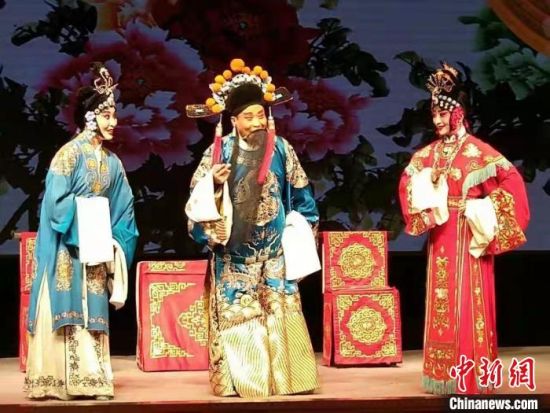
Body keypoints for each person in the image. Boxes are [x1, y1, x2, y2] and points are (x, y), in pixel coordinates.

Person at [185, 58, 319, 398]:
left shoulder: (281, 149)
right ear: (233, 121)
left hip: (275, 255)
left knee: (280, 314)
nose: (257, 121)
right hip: (235, 258)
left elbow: (302, 196)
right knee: (240, 318)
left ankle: (287, 381)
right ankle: (245, 383)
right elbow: (196, 202)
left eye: (261, 114)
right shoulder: (219, 152)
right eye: (249, 116)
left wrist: (302, 236)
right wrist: (215, 185)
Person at [398, 62, 530, 395]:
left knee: (469, 305)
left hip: (470, 238)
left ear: (458, 113)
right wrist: (427, 191)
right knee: (441, 304)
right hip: (441, 236)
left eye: (443, 114)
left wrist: (483, 209)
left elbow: (512, 182)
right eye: (434, 115)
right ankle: (442, 374)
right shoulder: (427, 155)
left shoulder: (477, 152)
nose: (437, 121)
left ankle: (473, 376)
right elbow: (406, 183)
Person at [25, 63, 139, 400]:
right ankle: (57, 380)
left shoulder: (113, 163)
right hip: (68, 246)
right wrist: (87, 219)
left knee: (94, 307)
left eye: (114, 116)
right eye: (106, 115)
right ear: (90, 117)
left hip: (97, 247)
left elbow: (124, 207)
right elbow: (55, 204)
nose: (113, 122)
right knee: (68, 303)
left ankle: (93, 378)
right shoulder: (68, 155)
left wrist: (115, 240)